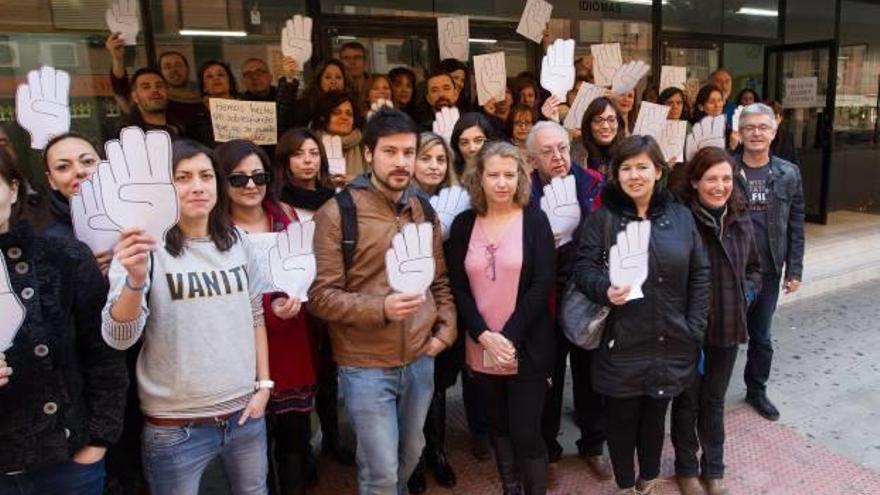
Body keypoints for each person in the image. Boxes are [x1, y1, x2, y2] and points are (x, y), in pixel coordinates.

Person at [101, 139, 274, 494]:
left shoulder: (237, 241)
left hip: (245, 414)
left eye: (206, 176)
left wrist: (264, 386)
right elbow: (119, 336)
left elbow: (255, 314)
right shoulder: (142, 247)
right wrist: (134, 281)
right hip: (175, 425)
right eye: (182, 177)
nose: (197, 186)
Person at [308, 107, 456, 495]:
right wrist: (381, 308)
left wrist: (445, 333)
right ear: (370, 153)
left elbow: (439, 282)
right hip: (365, 365)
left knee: (412, 452)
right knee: (380, 471)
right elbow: (320, 298)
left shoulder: (423, 210)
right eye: (391, 152)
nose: (402, 162)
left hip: (421, 357)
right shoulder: (337, 213)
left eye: (409, 152)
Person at [573, 135, 710, 495]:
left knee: (655, 417)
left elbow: (700, 273)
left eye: (642, 167)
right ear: (616, 174)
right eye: (626, 167)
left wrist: (694, 327)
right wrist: (605, 287)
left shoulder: (681, 217)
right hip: (622, 338)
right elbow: (583, 269)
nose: (635, 174)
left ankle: (647, 480)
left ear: (658, 171)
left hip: (671, 336)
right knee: (620, 419)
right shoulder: (602, 220)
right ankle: (623, 485)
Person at [0, 150, 128, 495]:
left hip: (65, 463)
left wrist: (98, 440)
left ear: (13, 189)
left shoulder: (64, 258)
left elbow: (103, 354)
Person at [447, 141, 556, 495]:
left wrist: (508, 336)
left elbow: (542, 284)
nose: (502, 183)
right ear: (478, 178)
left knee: (526, 431)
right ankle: (511, 489)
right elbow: (458, 287)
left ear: (521, 178)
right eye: (493, 175)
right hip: (482, 345)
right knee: (498, 426)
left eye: (510, 175)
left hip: (525, 345)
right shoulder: (464, 225)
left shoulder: (534, 219)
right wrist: (483, 335)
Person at [219, 139, 318, 495]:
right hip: (241, 349)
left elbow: (307, 272)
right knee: (252, 443)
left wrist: (294, 298)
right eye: (238, 178)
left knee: (293, 437)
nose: (250, 185)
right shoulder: (214, 231)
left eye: (258, 176)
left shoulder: (286, 217)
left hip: (290, 343)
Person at [669, 146, 762, 495]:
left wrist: (747, 294)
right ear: (694, 181)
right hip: (690, 330)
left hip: (728, 325)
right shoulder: (681, 221)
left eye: (726, 178)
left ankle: (715, 467)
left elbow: (754, 268)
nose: (719, 186)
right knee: (687, 400)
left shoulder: (739, 218)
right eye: (711, 179)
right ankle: (686, 468)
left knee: (715, 400)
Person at [525, 121, 608, 488]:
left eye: (561, 147)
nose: (557, 157)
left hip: (586, 295)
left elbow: (610, 230)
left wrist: (581, 229)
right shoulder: (524, 188)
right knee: (550, 379)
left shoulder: (591, 182)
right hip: (546, 297)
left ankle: (592, 445)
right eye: (547, 151)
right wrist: (550, 237)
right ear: (532, 157)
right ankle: (550, 452)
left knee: (592, 375)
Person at [273, 128, 356, 469]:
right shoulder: (275, 202)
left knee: (328, 371)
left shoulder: (334, 198)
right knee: (297, 376)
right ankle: (300, 449)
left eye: (313, 153)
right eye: (298, 154)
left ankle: (333, 437)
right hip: (291, 301)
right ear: (285, 161)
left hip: (329, 294)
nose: (307, 160)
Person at [734, 103, 805, 422]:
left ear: (774, 131)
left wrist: (795, 269)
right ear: (739, 133)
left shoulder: (788, 173)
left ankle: (756, 390)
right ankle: (707, 395)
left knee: (761, 336)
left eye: (763, 127)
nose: (756, 133)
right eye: (749, 127)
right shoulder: (726, 169)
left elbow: (797, 222)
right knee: (719, 337)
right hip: (732, 270)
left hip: (769, 271)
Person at [407, 132, 459, 494]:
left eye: (441, 159)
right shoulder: (399, 201)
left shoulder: (457, 198)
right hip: (410, 304)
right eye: (426, 158)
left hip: (447, 298)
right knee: (413, 385)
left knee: (438, 382)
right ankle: (415, 459)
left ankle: (437, 450)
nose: (434, 166)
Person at [311, 91, 366, 186]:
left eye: (349, 114)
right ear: (324, 117)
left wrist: (356, 180)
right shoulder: (311, 144)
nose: (344, 117)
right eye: (336, 113)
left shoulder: (364, 145)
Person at [286, 59, 349, 129]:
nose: (333, 81)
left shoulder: (351, 105)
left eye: (338, 77)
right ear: (319, 80)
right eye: (328, 77)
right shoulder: (306, 105)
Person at [581, 97, 626, 176]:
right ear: (588, 125)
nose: (605, 126)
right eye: (598, 120)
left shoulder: (629, 152)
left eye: (611, 120)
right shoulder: (576, 152)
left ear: (619, 123)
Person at [450, 112, 497, 179]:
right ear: (457, 147)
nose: (472, 148)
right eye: (464, 143)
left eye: (478, 141)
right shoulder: (451, 181)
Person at [768, 101, 799, 166]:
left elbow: (794, 160)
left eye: (774, 117)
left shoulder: (788, 136)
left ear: (780, 118)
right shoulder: (757, 136)